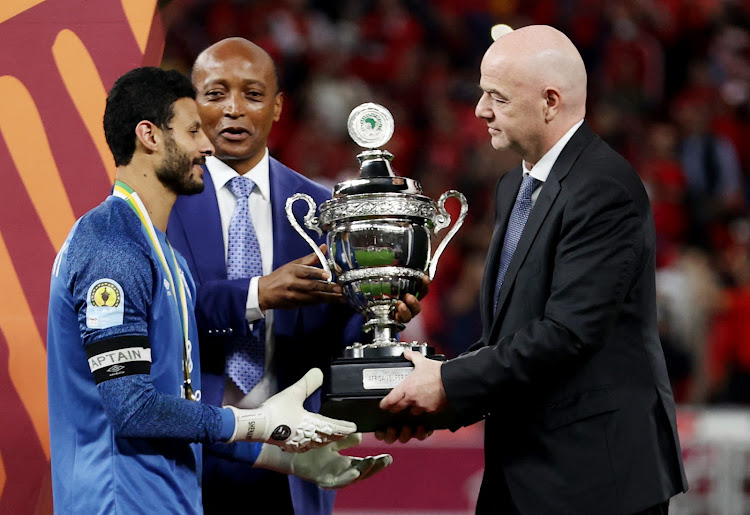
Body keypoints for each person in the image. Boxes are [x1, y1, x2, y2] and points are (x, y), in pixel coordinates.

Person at [47, 66, 391, 515]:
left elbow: (180, 410)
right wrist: (253, 422)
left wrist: (283, 456)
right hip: (117, 502)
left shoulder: (166, 257)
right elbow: (131, 409)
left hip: (169, 501)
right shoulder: (111, 247)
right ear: (149, 136)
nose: (207, 147)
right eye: (193, 131)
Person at [379, 25, 688, 514]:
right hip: (525, 471)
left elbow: (566, 335)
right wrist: (439, 394)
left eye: (496, 97)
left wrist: (447, 382)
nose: (480, 111)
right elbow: (515, 334)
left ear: (549, 102)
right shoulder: (513, 187)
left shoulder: (604, 187)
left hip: (596, 482)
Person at [167, 38, 422, 514]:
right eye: (216, 94)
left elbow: (342, 330)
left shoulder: (323, 210)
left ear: (279, 106)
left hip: (292, 466)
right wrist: (257, 294)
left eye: (253, 95)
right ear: (190, 105)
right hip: (191, 461)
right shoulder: (162, 203)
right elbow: (161, 313)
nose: (234, 110)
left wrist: (382, 314)